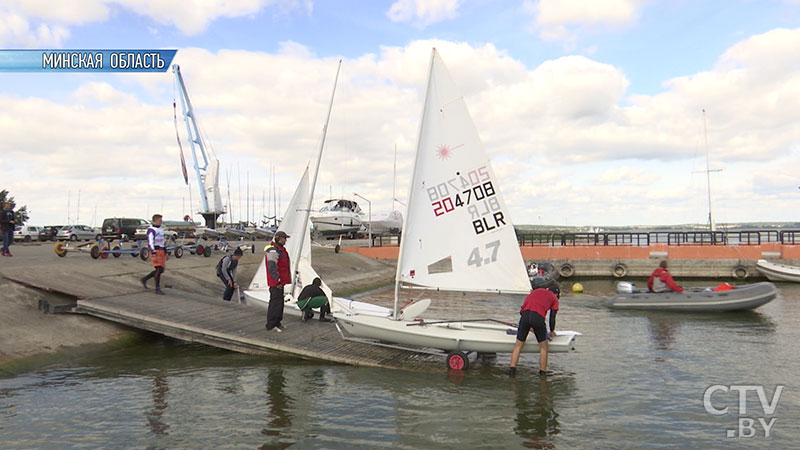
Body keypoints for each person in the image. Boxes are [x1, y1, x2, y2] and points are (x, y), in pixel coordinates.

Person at [509, 285, 560, 377]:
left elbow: (522, 310)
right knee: (544, 347)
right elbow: (552, 316)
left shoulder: (536, 291)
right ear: (556, 294)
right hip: (538, 318)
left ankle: (512, 371)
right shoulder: (554, 298)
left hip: (525, 316)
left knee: (518, 345)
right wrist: (552, 331)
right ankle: (542, 373)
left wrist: (530, 326)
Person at [265, 230, 291, 332]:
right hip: (276, 282)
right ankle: (271, 324)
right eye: (285, 239)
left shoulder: (280, 249)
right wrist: (277, 281)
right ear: (279, 239)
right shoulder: (272, 250)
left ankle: (277, 322)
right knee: (275, 303)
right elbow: (272, 267)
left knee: (280, 303)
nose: (286, 241)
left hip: (281, 282)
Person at [140, 214, 167, 295]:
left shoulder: (161, 230)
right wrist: (153, 251)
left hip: (161, 250)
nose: (161, 222)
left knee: (161, 269)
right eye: (160, 220)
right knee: (158, 269)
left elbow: (163, 241)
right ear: (155, 221)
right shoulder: (151, 230)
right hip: (156, 250)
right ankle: (157, 288)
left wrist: (166, 252)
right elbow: (150, 241)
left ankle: (144, 279)